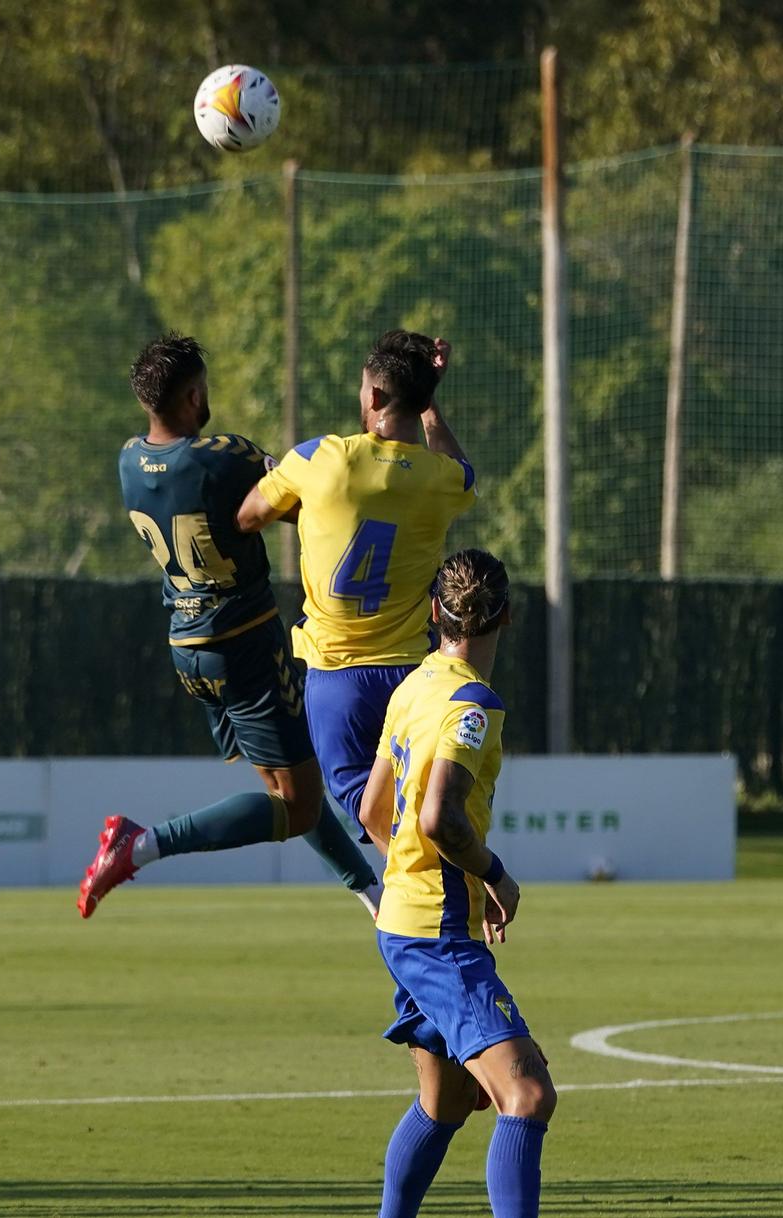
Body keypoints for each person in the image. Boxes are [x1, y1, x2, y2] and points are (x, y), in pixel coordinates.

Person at [78, 333, 382, 917]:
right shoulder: (222, 457)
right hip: (243, 642)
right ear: (194, 395)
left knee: (290, 793)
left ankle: (370, 894)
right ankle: (139, 845)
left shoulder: (127, 460)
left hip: (188, 644)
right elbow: (299, 499)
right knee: (297, 806)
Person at [358, 549, 553, 1218]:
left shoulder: (412, 688)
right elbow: (439, 816)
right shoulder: (474, 703)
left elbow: (371, 812)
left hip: (403, 923)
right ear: (509, 615)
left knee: (443, 1103)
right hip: (439, 937)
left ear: (434, 612)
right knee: (526, 1096)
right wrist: (491, 874)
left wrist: (421, 877)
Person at [237, 329, 475, 851]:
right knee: (415, 815)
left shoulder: (320, 459)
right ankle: (442, 901)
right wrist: (430, 402)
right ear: (421, 401)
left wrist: (310, 506)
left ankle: (419, 915)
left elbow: (249, 514)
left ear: (372, 397)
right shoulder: (441, 480)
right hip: (412, 675)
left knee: (378, 826)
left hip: (337, 680)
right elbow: (465, 474)